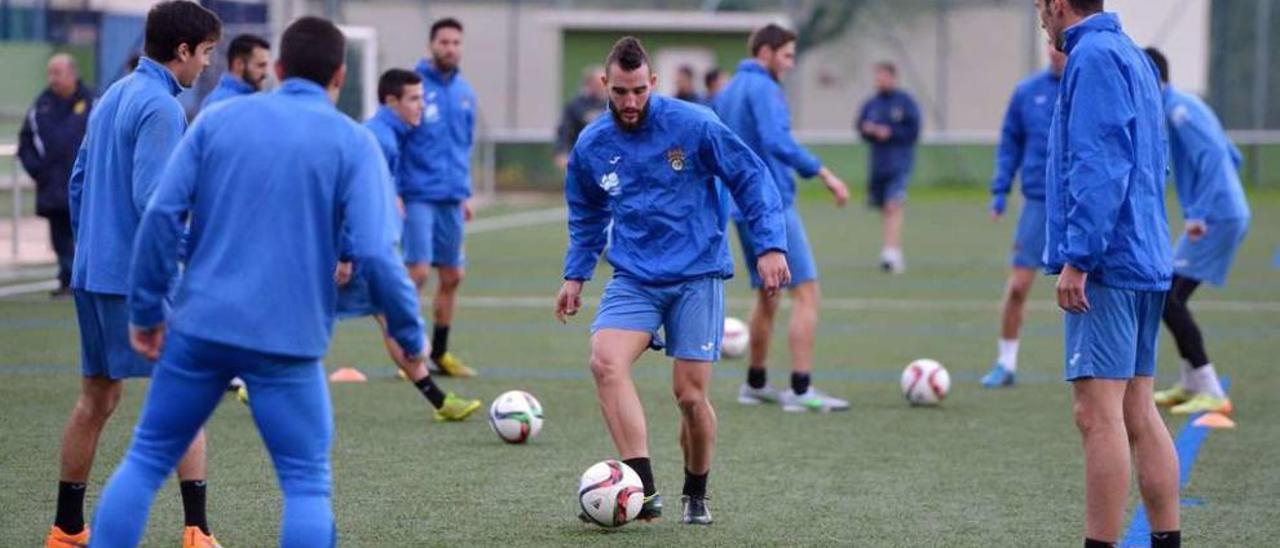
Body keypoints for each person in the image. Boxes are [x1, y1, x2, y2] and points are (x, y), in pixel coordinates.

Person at [88, 16, 426, 547]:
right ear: (339, 76)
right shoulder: (353, 142)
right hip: (287, 339)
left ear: (281, 69)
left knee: (147, 458)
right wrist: (409, 339)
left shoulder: (218, 121)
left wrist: (148, 312)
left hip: (200, 327)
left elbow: (159, 216)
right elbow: (379, 256)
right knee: (306, 486)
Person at [556, 36, 789, 526]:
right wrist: (575, 275)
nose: (630, 101)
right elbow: (586, 213)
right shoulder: (593, 145)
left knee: (688, 395)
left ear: (653, 83)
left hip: (697, 276)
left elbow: (749, 175)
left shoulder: (694, 124)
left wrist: (769, 244)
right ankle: (642, 490)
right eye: (620, 92)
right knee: (605, 362)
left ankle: (696, 490)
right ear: (605, 85)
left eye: (639, 90)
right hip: (635, 276)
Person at [51, 3, 221, 547]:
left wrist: (94, 247)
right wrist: (198, 252)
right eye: (207, 54)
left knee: (95, 400)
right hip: (136, 281)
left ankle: (67, 529)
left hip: (93, 273)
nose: (207, 66)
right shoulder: (161, 106)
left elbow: (79, 183)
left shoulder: (113, 95)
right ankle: (197, 531)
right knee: (186, 395)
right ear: (183, 51)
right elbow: (156, 202)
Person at [1039, 1, 1181, 547]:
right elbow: (1152, 158)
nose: (1039, 19)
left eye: (1038, 6)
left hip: (1110, 262)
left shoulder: (1093, 56)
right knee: (1137, 410)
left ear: (1057, 3)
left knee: (1097, 417)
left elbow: (1101, 163)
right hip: (1145, 256)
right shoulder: (1131, 54)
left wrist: (1080, 257)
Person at [714, 23, 852, 412]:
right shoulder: (765, 89)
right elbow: (777, 141)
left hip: (740, 209)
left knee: (768, 295)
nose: (790, 65)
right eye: (787, 56)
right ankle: (801, 389)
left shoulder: (727, 93)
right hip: (770, 207)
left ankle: (755, 382)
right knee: (806, 294)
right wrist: (823, 173)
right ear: (766, 53)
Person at [335, 67, 482, 421]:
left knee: (389, 317)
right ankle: (251, 383)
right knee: (301, 325)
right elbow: (345, 199)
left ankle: (440, 402)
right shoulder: (377, 138)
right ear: (391, 101)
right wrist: (344, 254)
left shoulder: (388, 135)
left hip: (356, 252)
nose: (422, 105)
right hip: (347, 253)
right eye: (414, 99)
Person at [1145, 47, 1250, 416]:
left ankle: (1210, 388)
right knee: (1168, 297)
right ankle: (1191, 384)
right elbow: (1233, 154)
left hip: (1216, 218)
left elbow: (1215, 158)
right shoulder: (1182, 106)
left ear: (1155, 80)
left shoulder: (1179, 110)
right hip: (1222, 212)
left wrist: (1201, 213)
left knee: (1168, 299)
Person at [981, 40, 1067, 388]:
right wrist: (1000, 191)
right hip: (1036, 203)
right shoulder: (1027, 92)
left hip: (1079, 205)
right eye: (1049, 43)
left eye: (1059, 45)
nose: (1054, 49)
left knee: (1090, 291)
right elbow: (1010, 142)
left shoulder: (1087, 86)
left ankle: (1100, 370)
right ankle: (1006, 362)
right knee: (1017, 287)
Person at [400, 17, 478, 377]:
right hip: (417, 194)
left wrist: (466, 194)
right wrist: (395, 192)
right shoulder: (412, 87)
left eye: (456, 42)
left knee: (452, 275)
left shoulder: (465, 92)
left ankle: (440, 354)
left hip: (452, 196)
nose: (450, 48)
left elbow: (464, 146)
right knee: (416, 272)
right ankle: (410, 354)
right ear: (431, 45)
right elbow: (397, 141)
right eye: (444, 42)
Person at [18, 54, 93, 299]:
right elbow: (26, 142)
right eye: (50, 73)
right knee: (59, 237)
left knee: (87, 233)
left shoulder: (93, 102)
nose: (53, 79)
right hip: (53, 187)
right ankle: (67, 280)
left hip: (87, 188)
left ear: (72, 73)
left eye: (57, 73)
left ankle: (87, 280)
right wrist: (39, 172)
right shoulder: (41, 105)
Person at [855, 61, 920, 274]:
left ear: (893, 77)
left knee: (894, 204)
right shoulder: (872, 104)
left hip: (899, 162)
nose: (879, 81)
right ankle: (890, 248)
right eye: (877, 77)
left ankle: (892, 252)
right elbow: (859, 126)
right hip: (878, 164)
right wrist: (868, 130)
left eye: (883, 76)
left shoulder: (905, 102)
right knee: (884, 207)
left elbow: (913, 131)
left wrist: (890, 132)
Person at [554, 65, 607, 170]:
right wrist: (562, 152)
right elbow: (565, 131)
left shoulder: (612, 105)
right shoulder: (576, 106)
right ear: (589, 84)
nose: (602, 86)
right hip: (582, 158)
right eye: (598, 83)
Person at [200, 33, 270, 109]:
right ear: (238, 64)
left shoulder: (256, 99)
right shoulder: (220, 103)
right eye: (260, 65)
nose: (266, 73)